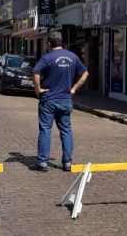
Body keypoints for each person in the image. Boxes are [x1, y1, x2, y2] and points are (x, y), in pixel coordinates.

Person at [31, 31, 88, 172]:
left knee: (45, 130)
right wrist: (74, 88)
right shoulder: (72, 57)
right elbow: (85, 73)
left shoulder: (47, 58)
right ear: (61, 42)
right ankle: (67, 163)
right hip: (65, 99)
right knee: (66, 131)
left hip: (49, 99)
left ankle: (42, 163)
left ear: (49, 43)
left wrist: (38, 89)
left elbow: (35, 72)